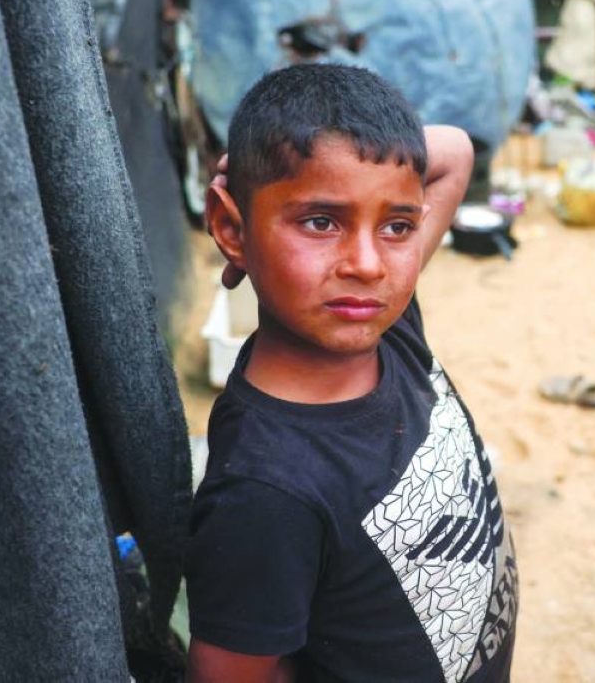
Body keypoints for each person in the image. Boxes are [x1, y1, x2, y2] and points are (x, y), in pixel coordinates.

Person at [187, 64, 518, 683]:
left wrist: (268, 171)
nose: (367, 264)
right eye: (321, 221)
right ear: (231, 227)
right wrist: (263, 174)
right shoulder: (266, 490)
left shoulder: (387, 329)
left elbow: (454, 153)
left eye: (397, 226)